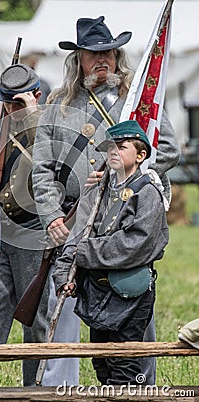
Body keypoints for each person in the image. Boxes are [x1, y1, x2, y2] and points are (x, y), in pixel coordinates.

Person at [32, 16, 180, 385]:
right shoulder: (57, 108)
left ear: (117, 55)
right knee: (63, 304)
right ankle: (57, 387)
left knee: (133, 295)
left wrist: (122, 174)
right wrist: (52, 216)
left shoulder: (139, 102)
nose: (102, 61)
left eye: (108, 53)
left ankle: (141, 384)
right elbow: (42, 170)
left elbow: (168, 149)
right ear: (77, 60)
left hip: (127, 216)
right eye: (92, 54)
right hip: (75, 220)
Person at [53, 119, 169, 385]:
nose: (114, 152)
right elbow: (76, 237)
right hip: (97, 291)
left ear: (141, 156)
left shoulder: (147, 193)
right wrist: (63, 274)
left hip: (130, 295)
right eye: (110, 147)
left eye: (122, 147)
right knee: (102, 365)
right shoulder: (97, 193)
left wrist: (85, 252)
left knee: (125, 366)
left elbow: (135, 244)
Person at [0, 63, 49, 387]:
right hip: (0, 236)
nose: (12, 108)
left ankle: (38, 389)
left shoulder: (52, 128)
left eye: (19, 101)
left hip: (37, 237)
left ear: (36, 96)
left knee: (38, 323)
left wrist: (32, 115)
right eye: (8, 102)